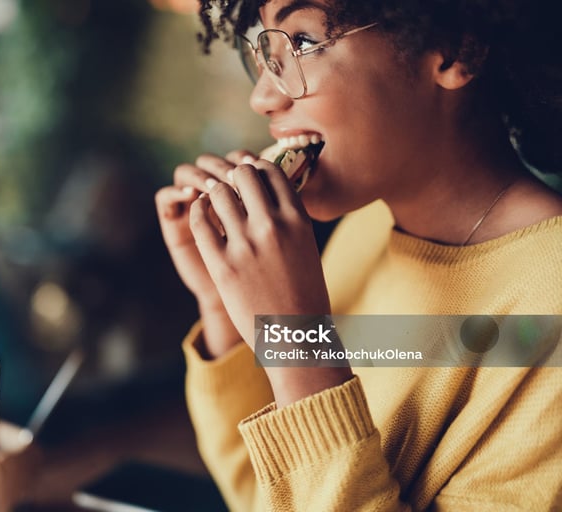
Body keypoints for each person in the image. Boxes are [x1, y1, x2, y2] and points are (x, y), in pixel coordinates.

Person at [155, 0, 562, 510]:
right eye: (264, 49)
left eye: (301, 43)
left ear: (456, 50)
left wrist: (299, 341)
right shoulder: (364, 231)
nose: (262, 96)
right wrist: (226, 312)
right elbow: (261, 497)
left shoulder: (551, 303)